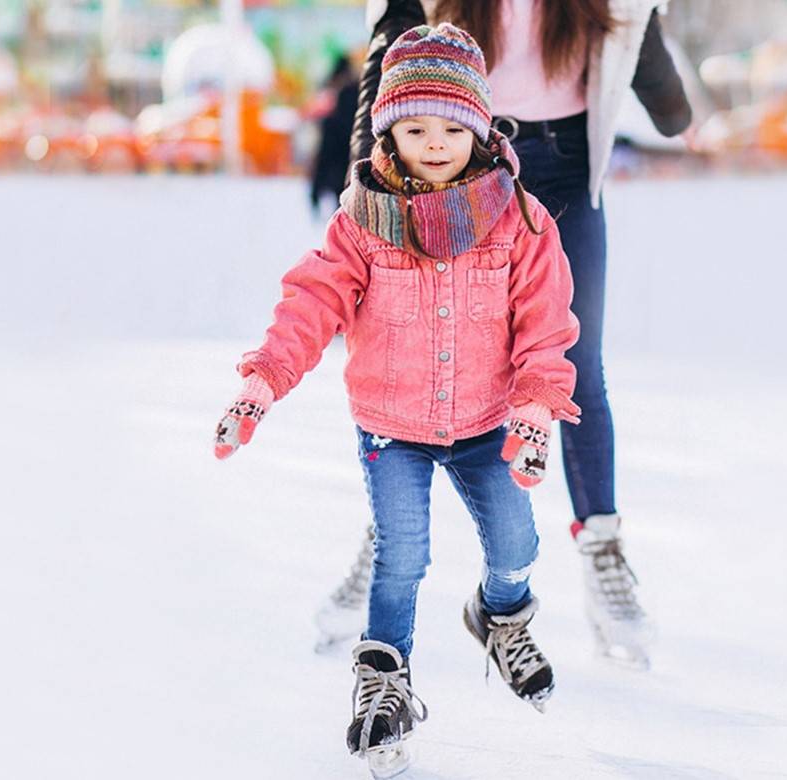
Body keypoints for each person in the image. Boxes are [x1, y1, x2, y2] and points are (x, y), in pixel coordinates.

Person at [214, 24, 581, 776]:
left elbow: (545, 320)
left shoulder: (519, 221)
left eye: (452, 127)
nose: (436, 142)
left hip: (488, 422)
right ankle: (384, 682)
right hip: (393, 427)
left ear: (479, 129)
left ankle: (501, 616)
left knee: (518, 545)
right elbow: (311, 304)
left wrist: (538, 402)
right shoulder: (362, 223)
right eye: (415, 127)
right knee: (402, 555)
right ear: (388, 131)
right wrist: (263, 381)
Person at [315, 0, 694, 670]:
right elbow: (390, 45)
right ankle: (386, 536)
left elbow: (645, 47)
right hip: (452, 161)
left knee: (571, 362)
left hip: (566, 161)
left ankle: (602, 551)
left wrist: (671, 104)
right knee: (419, 353)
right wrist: (362, 180)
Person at [307, 54, 360, 218]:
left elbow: (324, 155)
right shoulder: (356, 89)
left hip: (335, 154)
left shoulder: (331, 95)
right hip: (350, 151)